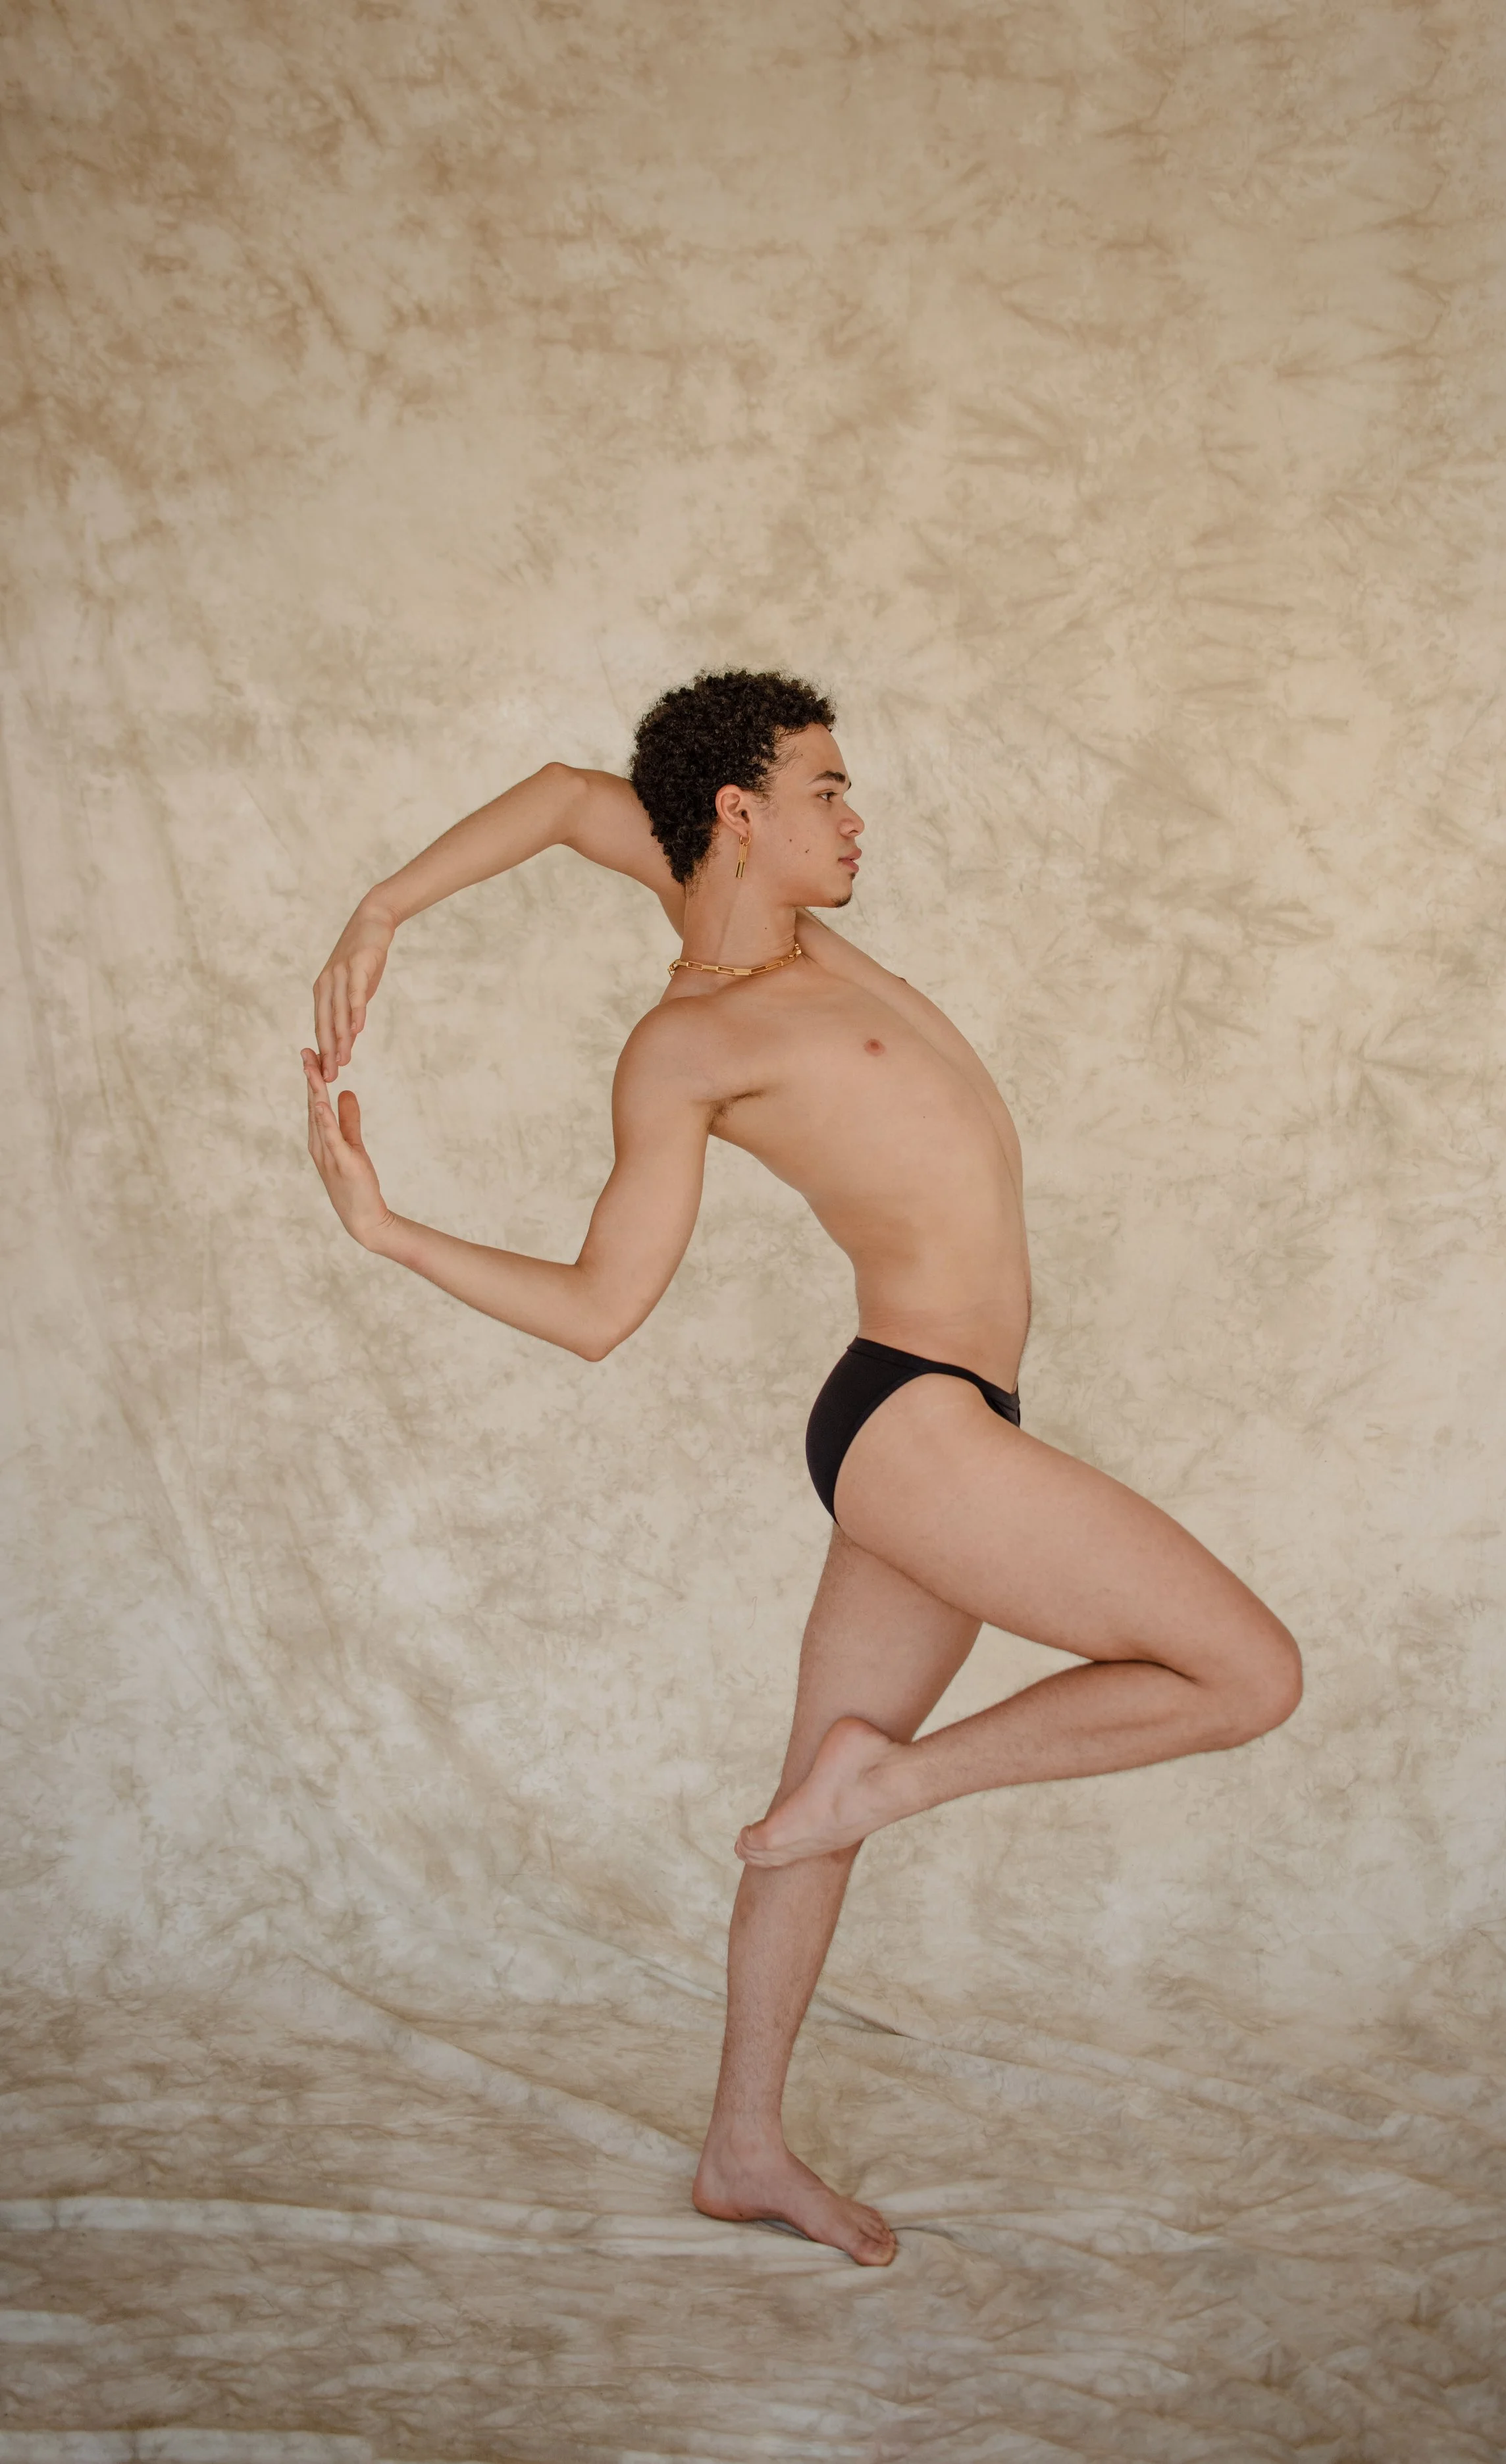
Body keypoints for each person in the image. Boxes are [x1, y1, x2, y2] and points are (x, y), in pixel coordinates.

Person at [303, 668, 1302, 2267]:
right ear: (739, 813)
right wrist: (385, 1225)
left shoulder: (768, 924)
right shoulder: (688, 1041)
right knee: (1245, 1671)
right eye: (825, 788)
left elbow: (570, 796)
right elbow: (596, 1308)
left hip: (942, 1407)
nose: (855, 816)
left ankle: (740, 2146)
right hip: (912, 1421)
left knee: (803, 1798)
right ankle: (890, 1786)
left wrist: (383, 906)